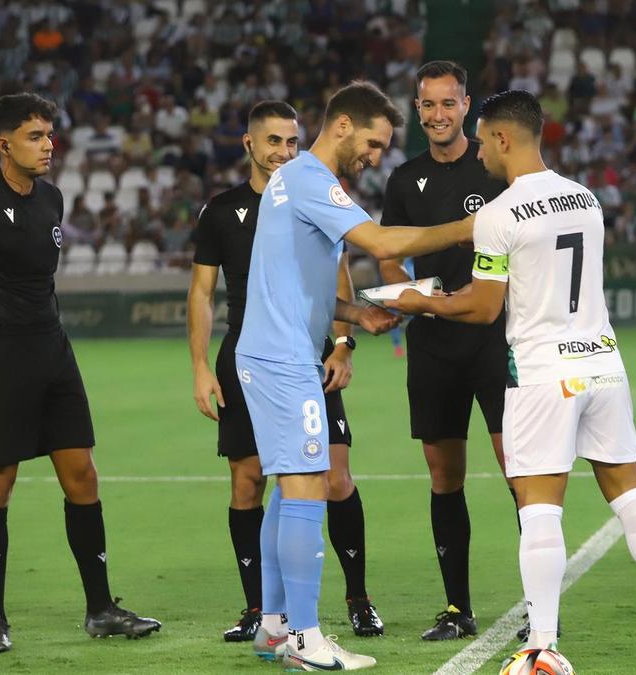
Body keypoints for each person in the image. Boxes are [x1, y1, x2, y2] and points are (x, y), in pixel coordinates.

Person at [386, 90, 636, 667]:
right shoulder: (586, 199)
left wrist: (419, 301)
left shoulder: (499, 216)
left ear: (503, 138)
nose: (478, 152)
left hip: (542, 373)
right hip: (602, 363)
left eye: (481, 140)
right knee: (630, 493)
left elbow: (481, 308)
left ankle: (543, 647)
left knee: (539, 508)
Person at [234, 80, 475, 671]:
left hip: (270, 352)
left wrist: (352, 313)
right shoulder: (311, 178)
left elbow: (293, 279)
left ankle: (271, 627)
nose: (375, 156)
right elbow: (385, 240)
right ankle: (308, 640)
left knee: (289, 491)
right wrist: (476, 225)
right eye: (372, 142)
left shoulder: (296, 183)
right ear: (341, 125)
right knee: (309, 487)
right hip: (284, 361)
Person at [0, 93, 161, 653]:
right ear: (4, 144)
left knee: (83, 476)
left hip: (53, 351)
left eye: (50, 134)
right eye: (35, 136)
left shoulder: (52, 198)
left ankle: (100, 609)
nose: (49, 144)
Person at [187, 100, 383, 645]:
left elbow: (335, 275)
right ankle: (269, 616)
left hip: (308, 351)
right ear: (249, 144)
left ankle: (348, 602)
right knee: (256, 481)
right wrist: (201, 367)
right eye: (273, 141)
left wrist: (344, 342)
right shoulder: (223, 211)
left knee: (326, 477)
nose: (284, 152)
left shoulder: (311, 188)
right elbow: (201, 293)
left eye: (292, 142)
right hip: (260, 355)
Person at [378, 60, 512, 640]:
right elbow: (388, 251)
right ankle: (457, 608)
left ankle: (540, 599)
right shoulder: (405, 181)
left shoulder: (495, 170)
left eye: (448, 104)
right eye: (428, 105)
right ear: (417, 109)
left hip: (496, 340)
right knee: (443, 475)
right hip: (433, 342)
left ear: (467, 106)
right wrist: (405, 291)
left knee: (520, 472)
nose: (438, 115)